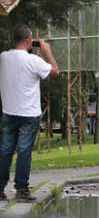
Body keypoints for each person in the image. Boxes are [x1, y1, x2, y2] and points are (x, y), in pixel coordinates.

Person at [0, 25, 58, 201]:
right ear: (27, 40)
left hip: (9, 112)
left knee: (5, 150)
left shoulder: (3, 57)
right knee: (24, 151)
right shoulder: (34, 61)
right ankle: (22, 190)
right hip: (29, 114)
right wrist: (47, 51)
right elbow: (55, 71)